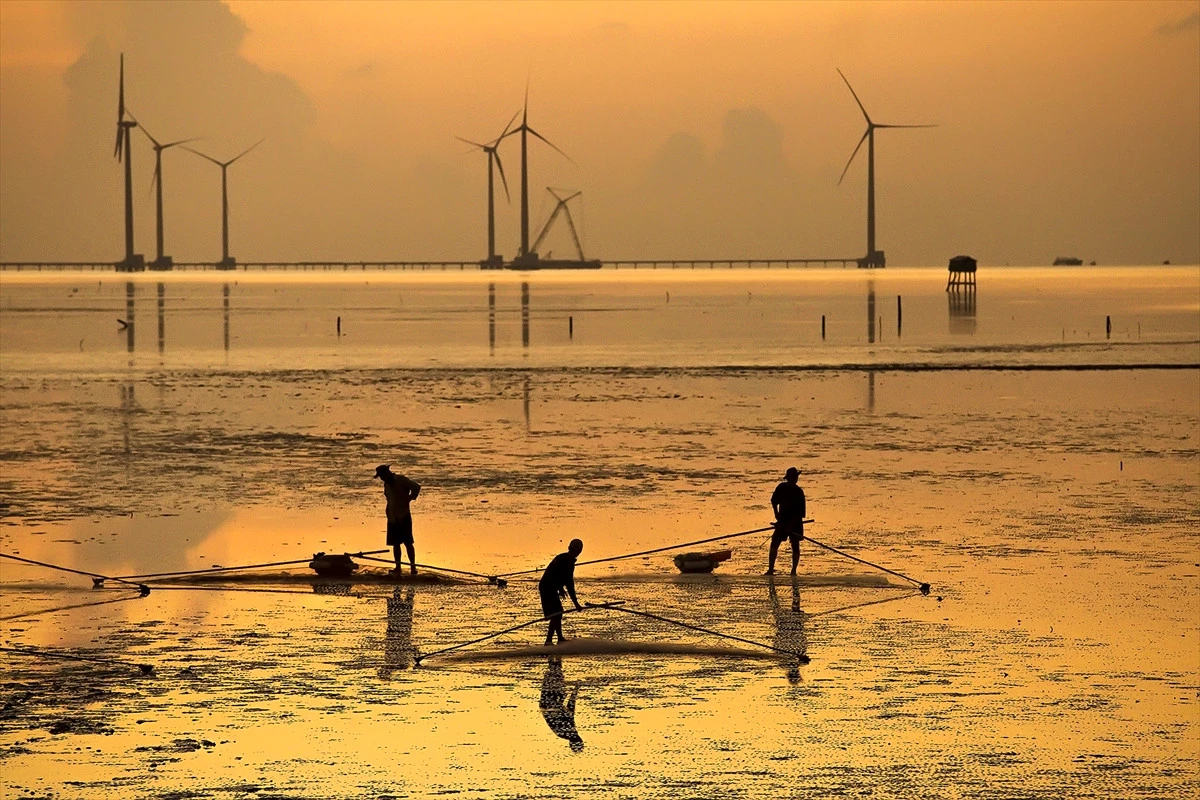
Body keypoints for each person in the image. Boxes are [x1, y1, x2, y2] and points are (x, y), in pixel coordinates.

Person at [376, 464, 421, 575]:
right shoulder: (386, 484)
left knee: (408, 543)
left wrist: (410, 498)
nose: (381, 478)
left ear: (387, 473)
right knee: (395, 544)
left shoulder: (401, 480)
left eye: (381, 476)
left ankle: (413, 567)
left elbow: (416, 487)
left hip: (403, 515)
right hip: (392, 516)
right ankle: (398, 567)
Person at [539, 539, 584, 646]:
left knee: (558, 613)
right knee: (556, 613)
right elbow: (569, 584)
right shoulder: (567, 561)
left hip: (550, 587)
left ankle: (559, 638)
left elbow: (557, 574)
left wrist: (559, 588)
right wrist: (576, 604)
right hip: (547, 588)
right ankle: (549, 640)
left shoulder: (563, 557)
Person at [539, 656, 584, 751]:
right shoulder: (566, 733)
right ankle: (555, 649)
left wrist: (576, 690)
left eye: (580, 741)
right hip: (550, 703)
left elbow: (570, 707)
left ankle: (554, 649)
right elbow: (569, 709)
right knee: (555, 672)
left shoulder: (568, 732)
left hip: (550, 702)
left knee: (555, 672)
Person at [768, 466, 806, 575]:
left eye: (796, 477)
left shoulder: (799, 492)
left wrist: (790, 525)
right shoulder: (781, 488)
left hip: (795, 522)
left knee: (795, 545)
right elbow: (774, 501)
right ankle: (770, 569)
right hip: (783, 521)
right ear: (789, 478)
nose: (795, 479)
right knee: (774, 542)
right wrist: (777, 515)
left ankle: (793, 570)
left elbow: (800, 513)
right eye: (794, 477)